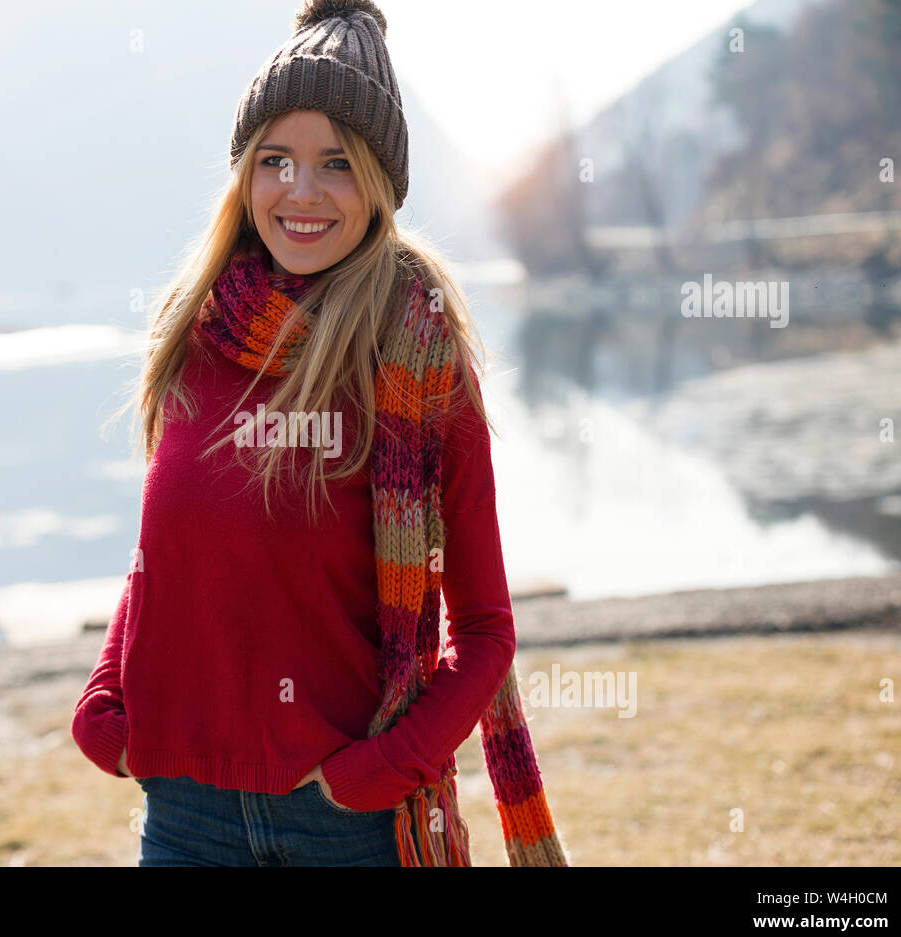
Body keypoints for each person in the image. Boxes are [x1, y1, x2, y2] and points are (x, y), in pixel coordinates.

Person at [72, 0, 567, 867]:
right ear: (244, 175)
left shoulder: (416, 352)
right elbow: (166, 560)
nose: (301, 192)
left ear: (379, 181)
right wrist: (105, 702)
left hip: (347, 826)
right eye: (276, 161)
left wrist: (376, 774)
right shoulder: (193, 334)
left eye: (336, 163)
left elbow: (484, 630)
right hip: (185, 820)